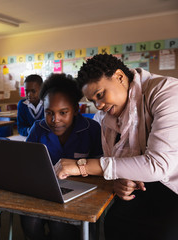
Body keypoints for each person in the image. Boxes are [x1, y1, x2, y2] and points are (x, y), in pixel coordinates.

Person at [55, 54, 178, 240]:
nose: (98, 105)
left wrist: (82, 166)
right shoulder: (107, 117)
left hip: (173, 188)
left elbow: (158, 165)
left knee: (163, 234)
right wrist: (121, 180)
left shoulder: (165, 92)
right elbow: (118, 164)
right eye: (92, 101)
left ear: (120, 77)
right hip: (143, 187)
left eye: (100, 94)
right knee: (113, 223)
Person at [20, 73, 102, 240]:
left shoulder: (91, 129)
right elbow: (26, 162)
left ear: (76, 110)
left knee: (59, 226)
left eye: (63, 112)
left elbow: (102, 166)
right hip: (45, 191)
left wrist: (79, 167)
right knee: (29, 221)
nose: (55, 120)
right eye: (49, 112)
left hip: (83, 193)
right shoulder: (38, 128)